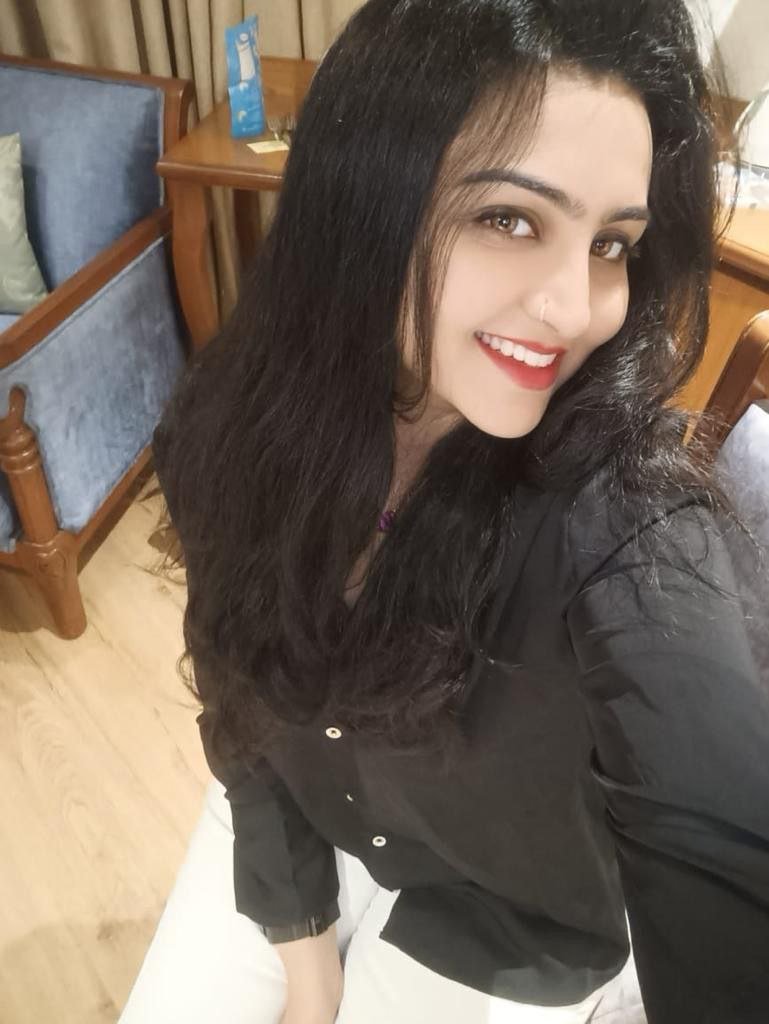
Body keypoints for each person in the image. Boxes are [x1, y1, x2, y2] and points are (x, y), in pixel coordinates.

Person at [120, 1, 769, 1022]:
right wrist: (305, 957)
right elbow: (236, 686)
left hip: (509, 922)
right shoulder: (225, 427)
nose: (574, 308)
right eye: (510, 218)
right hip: (306, 820)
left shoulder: (624, 521)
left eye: (611, 244)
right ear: (363, 200)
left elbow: (723, 847)